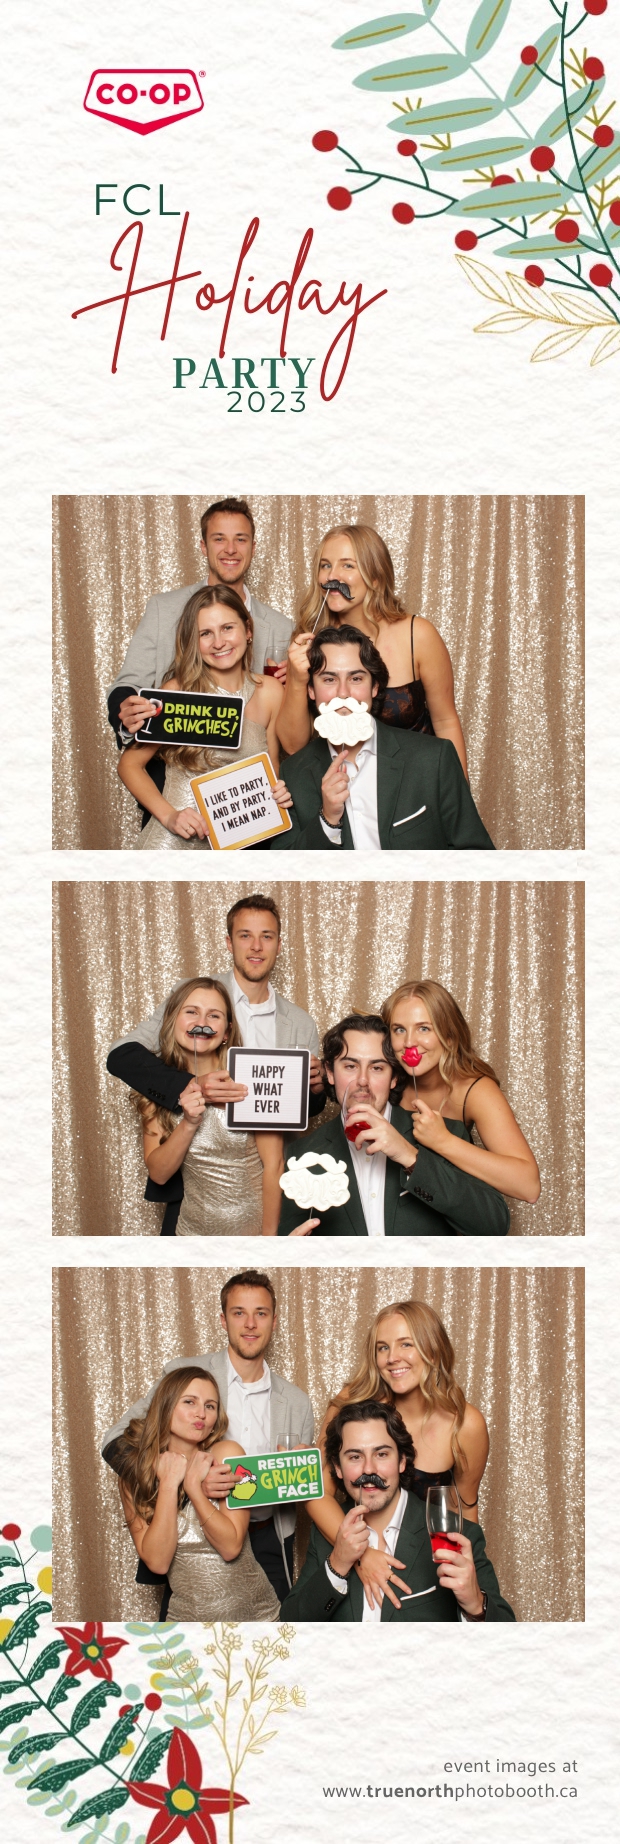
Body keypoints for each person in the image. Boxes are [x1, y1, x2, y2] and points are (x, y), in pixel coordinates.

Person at [106, 894, 326, 1235]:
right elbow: (121, 1055)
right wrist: (192, 1087)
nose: (256, 946)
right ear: (229, 942)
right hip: (193, 1191)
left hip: (266, 1189)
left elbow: (300, 1110)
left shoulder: (301, 1023)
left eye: (266, 936)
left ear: (279, 944)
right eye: (245, 935)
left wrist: (316, 1087)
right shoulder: (196, 995)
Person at [102, 1270, 315, 1612]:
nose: (250, 1324)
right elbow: (117, 1438)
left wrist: (303, 1470)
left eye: (260, 1313)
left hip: (268, 1534)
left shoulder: (298, 1403)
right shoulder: (187, 1375)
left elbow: (297, 1487)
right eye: (239, 1312)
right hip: (187, 1532)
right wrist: (183, 1480)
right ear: (223, 1319)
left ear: (274, 1322)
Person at [107, 498, 292, 816]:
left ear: (253, 547)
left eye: (240, 539)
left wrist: (296, 686)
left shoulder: (280, 627)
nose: (230, 549)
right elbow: (129, 685)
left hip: (245, 802)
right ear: (204, 546)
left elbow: (281, 732)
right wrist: (129, 715)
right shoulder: (164, 609)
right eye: (219, 538)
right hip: (174, 789)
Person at [308, 1301, 489, 1610]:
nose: (392, 1357)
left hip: (426, 1575)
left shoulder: (465, 1424)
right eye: (383, 1347)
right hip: (353, 1559)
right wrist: (362, 1555)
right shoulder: (351, 1403)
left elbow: (465, 1512)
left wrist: (472, 1588)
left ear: (432, 1348)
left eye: (406, 1344)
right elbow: (316, 1491)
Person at [279, 1401, 515, 1623]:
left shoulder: (454, 1533)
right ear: (338, 1468)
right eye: (355, 1457)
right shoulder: (327, 1534)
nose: (369, 1469)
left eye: (381, 1454)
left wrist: (475, 1605)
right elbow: (290, 1624)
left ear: (402, 1461)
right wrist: (337, 1565)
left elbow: (506, 1636)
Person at [277, 1014, 510, 1236]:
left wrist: (410, 1157)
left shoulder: (445, 1133)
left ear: (394, 1077)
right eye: (350, 1066)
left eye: (377, 1068)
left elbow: (494, 1225)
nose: (362, 1080)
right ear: (330, 1073)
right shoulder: (303, 1154)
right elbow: (290, 1239)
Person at [270, 628, 494, 852]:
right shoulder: (294, 774)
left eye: (356, 678)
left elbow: (476, 854)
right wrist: (327, 820)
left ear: (374, 687)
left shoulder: (433, 758)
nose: (343, 693)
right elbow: (283, 867)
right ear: (311, 690)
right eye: (329, 679)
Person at [276, 524, 467, 774]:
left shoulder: (417, 635)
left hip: (416, 782)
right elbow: (293, 746)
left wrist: (459, 791)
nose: (332, 576)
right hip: (341, 788)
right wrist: (297, 679)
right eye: (325, 565)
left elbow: (445, 721)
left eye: (347, 565)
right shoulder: (309, 641)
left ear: (375, 576)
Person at [117, 585, 291, 849]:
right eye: (205, 633)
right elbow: (129, 765)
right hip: (172, 846)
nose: (218, 642)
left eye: (227, 628)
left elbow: (271, 770)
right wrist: (170, 816)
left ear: (248, 630)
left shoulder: (271, 692)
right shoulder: (177, 692)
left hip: (236, 846)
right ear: (194, 641)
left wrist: (278, 793)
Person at [114, 1366, 280, 1622]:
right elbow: (158, 1562)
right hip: (186, 1623)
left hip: (258, 1619)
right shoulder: (135, 1477)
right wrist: (169, 1483)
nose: (201, 1413)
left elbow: (231, 1547)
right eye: (189, 1402)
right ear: (165, 1406)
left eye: (210, 1406)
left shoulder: (228, 1455)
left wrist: (194, 1489)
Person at [131, 979, 284, 1235]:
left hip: (251, 1234)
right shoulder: (159, 1090)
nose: (202, 1022)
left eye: (214, 1015)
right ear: (172, 1021)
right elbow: (158, 1174)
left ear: (226, 1032)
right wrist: (189, 1123)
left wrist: (269, 1241)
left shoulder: (249, 1081)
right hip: (189, 1234)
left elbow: (274, 1166)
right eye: (191, 1011)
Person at [383, 979, 540, 1207]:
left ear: (449, 1036)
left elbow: (528, 1186)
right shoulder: (382, 1077)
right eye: (399, 1029)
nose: (408, 1043)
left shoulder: (476, 1090)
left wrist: (443, 1141)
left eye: (424, 1028)